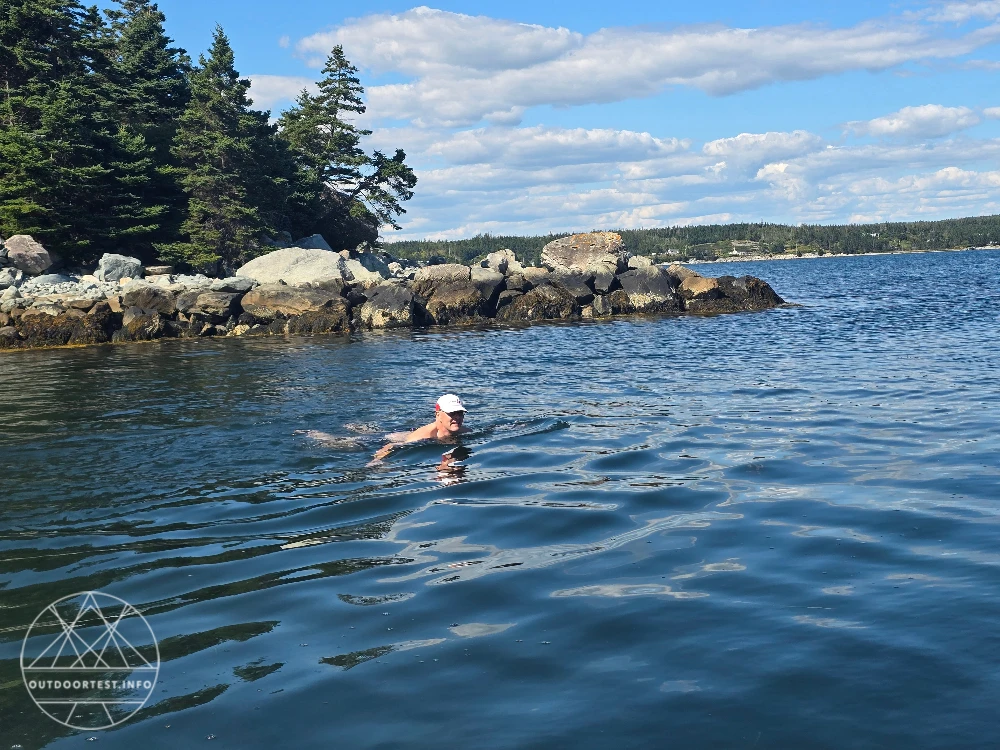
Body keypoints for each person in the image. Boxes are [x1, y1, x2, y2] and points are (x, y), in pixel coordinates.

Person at [372, 394, 468, 462]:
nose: (457, 417)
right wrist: (376, 461)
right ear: (438, 414)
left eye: (460, 413)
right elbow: (392, 445)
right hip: (392, 437)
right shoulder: (425, 434)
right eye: (452, 413)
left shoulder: (465, 431)